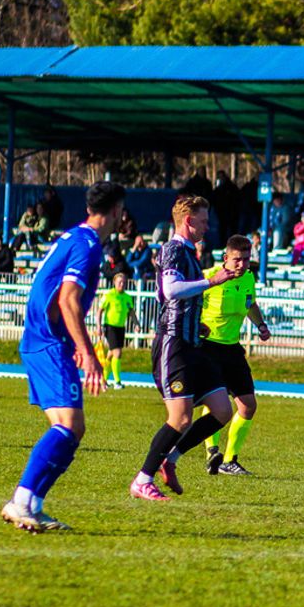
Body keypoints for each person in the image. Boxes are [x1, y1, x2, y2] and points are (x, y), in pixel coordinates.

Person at [1, 182, 126, 532]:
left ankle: (33, 505)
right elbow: (68, 300)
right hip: (49, 341)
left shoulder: (72, 237)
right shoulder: (88, 245)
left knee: (71, 428)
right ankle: (21, 501)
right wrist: (86, 351)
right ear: (116, 211)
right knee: (69, 425)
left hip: (40, 339)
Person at [129, 196, 245, 502]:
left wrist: (196, 322)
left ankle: (171, 460)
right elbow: (170, 290)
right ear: (189, 221)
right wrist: (212, 281)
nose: (207, 226)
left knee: (222, 409)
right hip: (174, 343)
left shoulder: (189, 253)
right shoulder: (173, 249)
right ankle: (142, 480)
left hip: (192, 341)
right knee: (180, 418)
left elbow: (181, 297)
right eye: (204, 221)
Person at [196, 235, 272, 476]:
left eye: (246, 259)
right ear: (225, 257)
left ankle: (229, 460)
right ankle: (212, 452)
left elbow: (250, 304)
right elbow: (189, 303)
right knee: (214, 400)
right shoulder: (209, 276)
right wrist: (195, 326)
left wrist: (261, 325)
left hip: (232, 349)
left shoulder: (248, 278)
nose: (242, 264)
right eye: (237, 259)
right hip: (208, 348)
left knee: (248, 406)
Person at [96, 271, 137, 389]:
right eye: (119, 282)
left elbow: (131, 312)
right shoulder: (109, 295)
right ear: (114, 282)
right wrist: (98, 326)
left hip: (121, 327)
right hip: (110, 327)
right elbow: (99, 311)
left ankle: (103, 379)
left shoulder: (127, 297)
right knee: (117, 353)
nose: (122, 284)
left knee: (111, 354)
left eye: (124, 282)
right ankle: (117, 382)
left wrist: (136, 324)